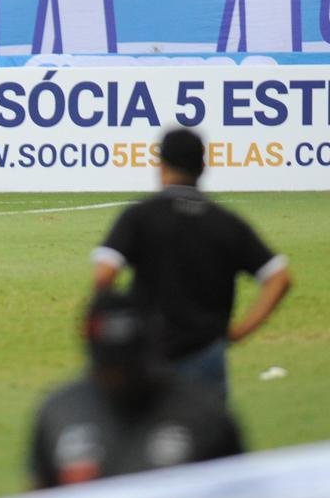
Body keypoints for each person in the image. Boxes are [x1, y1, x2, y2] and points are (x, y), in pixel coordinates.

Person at [29, 290, 269, 498]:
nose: (120, 379)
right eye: (110, 367)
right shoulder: (61, 411)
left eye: (130, 367)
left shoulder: (202, 411)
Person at [91, 127, 292, 400]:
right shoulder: (225, 222)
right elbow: (279, 278)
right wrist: (239, 332)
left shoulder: (139, 216)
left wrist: (114, 328)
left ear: (160, 166)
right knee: (207, 434)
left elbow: (104, 276)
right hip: (206, 352)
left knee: (146, 430)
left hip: (150, 350)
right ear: (203, 166)